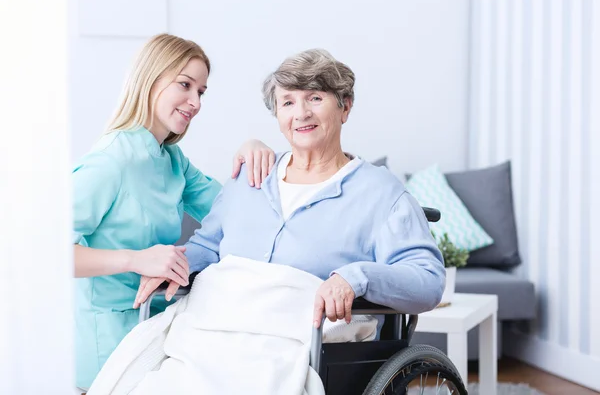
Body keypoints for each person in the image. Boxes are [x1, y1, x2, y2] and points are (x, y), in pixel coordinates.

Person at [134, 48, 445, 331]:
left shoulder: (381, 193)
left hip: (299, 343)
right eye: (288, 102)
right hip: (217, 326)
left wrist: (356, 277)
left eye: (315, 98)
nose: (301, 113)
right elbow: (208, 246)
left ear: (345, 108)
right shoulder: (251, 175)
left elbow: (427, 280)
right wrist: (177, 265)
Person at [72, 33, 275, 390]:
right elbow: (43, 255)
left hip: (158, 331)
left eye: (201, 91)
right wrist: (134, 260)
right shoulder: (111, 162)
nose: (195, 101)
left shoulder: (172, 161)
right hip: (108, 349)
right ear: (150, 80)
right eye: (185, 84)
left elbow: (234, 208)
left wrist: (252, 149)